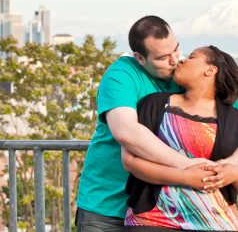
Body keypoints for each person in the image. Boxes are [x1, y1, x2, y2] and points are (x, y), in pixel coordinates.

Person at [76, 16, 238, 231]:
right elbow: (126, 132)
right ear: (140, 58)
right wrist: (188, 168)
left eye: (176, 50)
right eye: (163, 57)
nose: (175, 60)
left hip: (169, 211)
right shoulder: (122, 74)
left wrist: (232, 166)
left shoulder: (185, 77)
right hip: (107, 205)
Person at [123, 45, 238, 230]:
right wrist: (184, 176)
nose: (182, 60)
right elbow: (130, 162)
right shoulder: (154, 104)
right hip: (153, 220)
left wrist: (233, 174)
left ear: (211, 70)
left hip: (218, 222)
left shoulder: (234, 119)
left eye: (192, 57)